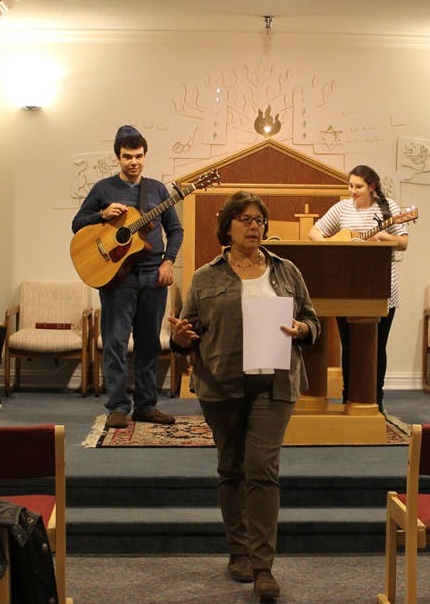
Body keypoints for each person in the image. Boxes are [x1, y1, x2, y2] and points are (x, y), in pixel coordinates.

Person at [168, 190, 319, 600]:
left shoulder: (287, 271)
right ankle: (238, 550)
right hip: (221, 383)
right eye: (246, 219)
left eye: (259, 220)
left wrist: (304, 330)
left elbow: (311, 320)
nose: (255, 226)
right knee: (231, 467)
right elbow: (186, 334)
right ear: (228, 226)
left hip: (275, 383)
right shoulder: (205, 276)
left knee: (261, 468)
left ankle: (262, 566)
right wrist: (180, 337)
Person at [71, 125, 183, 429]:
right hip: (116, 278)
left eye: (138, 156)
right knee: (115, 343)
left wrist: (168, 262)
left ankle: (146, 406)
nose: (133, 162)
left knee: (148, 344)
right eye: (127, 157)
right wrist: (101, 215)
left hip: (152, 276)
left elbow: (175, 230)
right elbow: (77, 224)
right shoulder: (102, 189)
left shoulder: (158, 190)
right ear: (117, 158)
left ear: (145, 156)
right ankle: (117, 407)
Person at [307, 164, 409, 413]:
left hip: (381, 287)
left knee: (376, 346)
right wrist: (330, 246)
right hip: (347, 288)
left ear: (372, 187)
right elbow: (314, 231)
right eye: (350, 185)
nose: (353, 191)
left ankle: (375, 398)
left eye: (358, 186)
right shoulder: (342, 208)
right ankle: (348, 396)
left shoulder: (389, 209)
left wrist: (383, 238)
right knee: (350, 345)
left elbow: (403, 243)